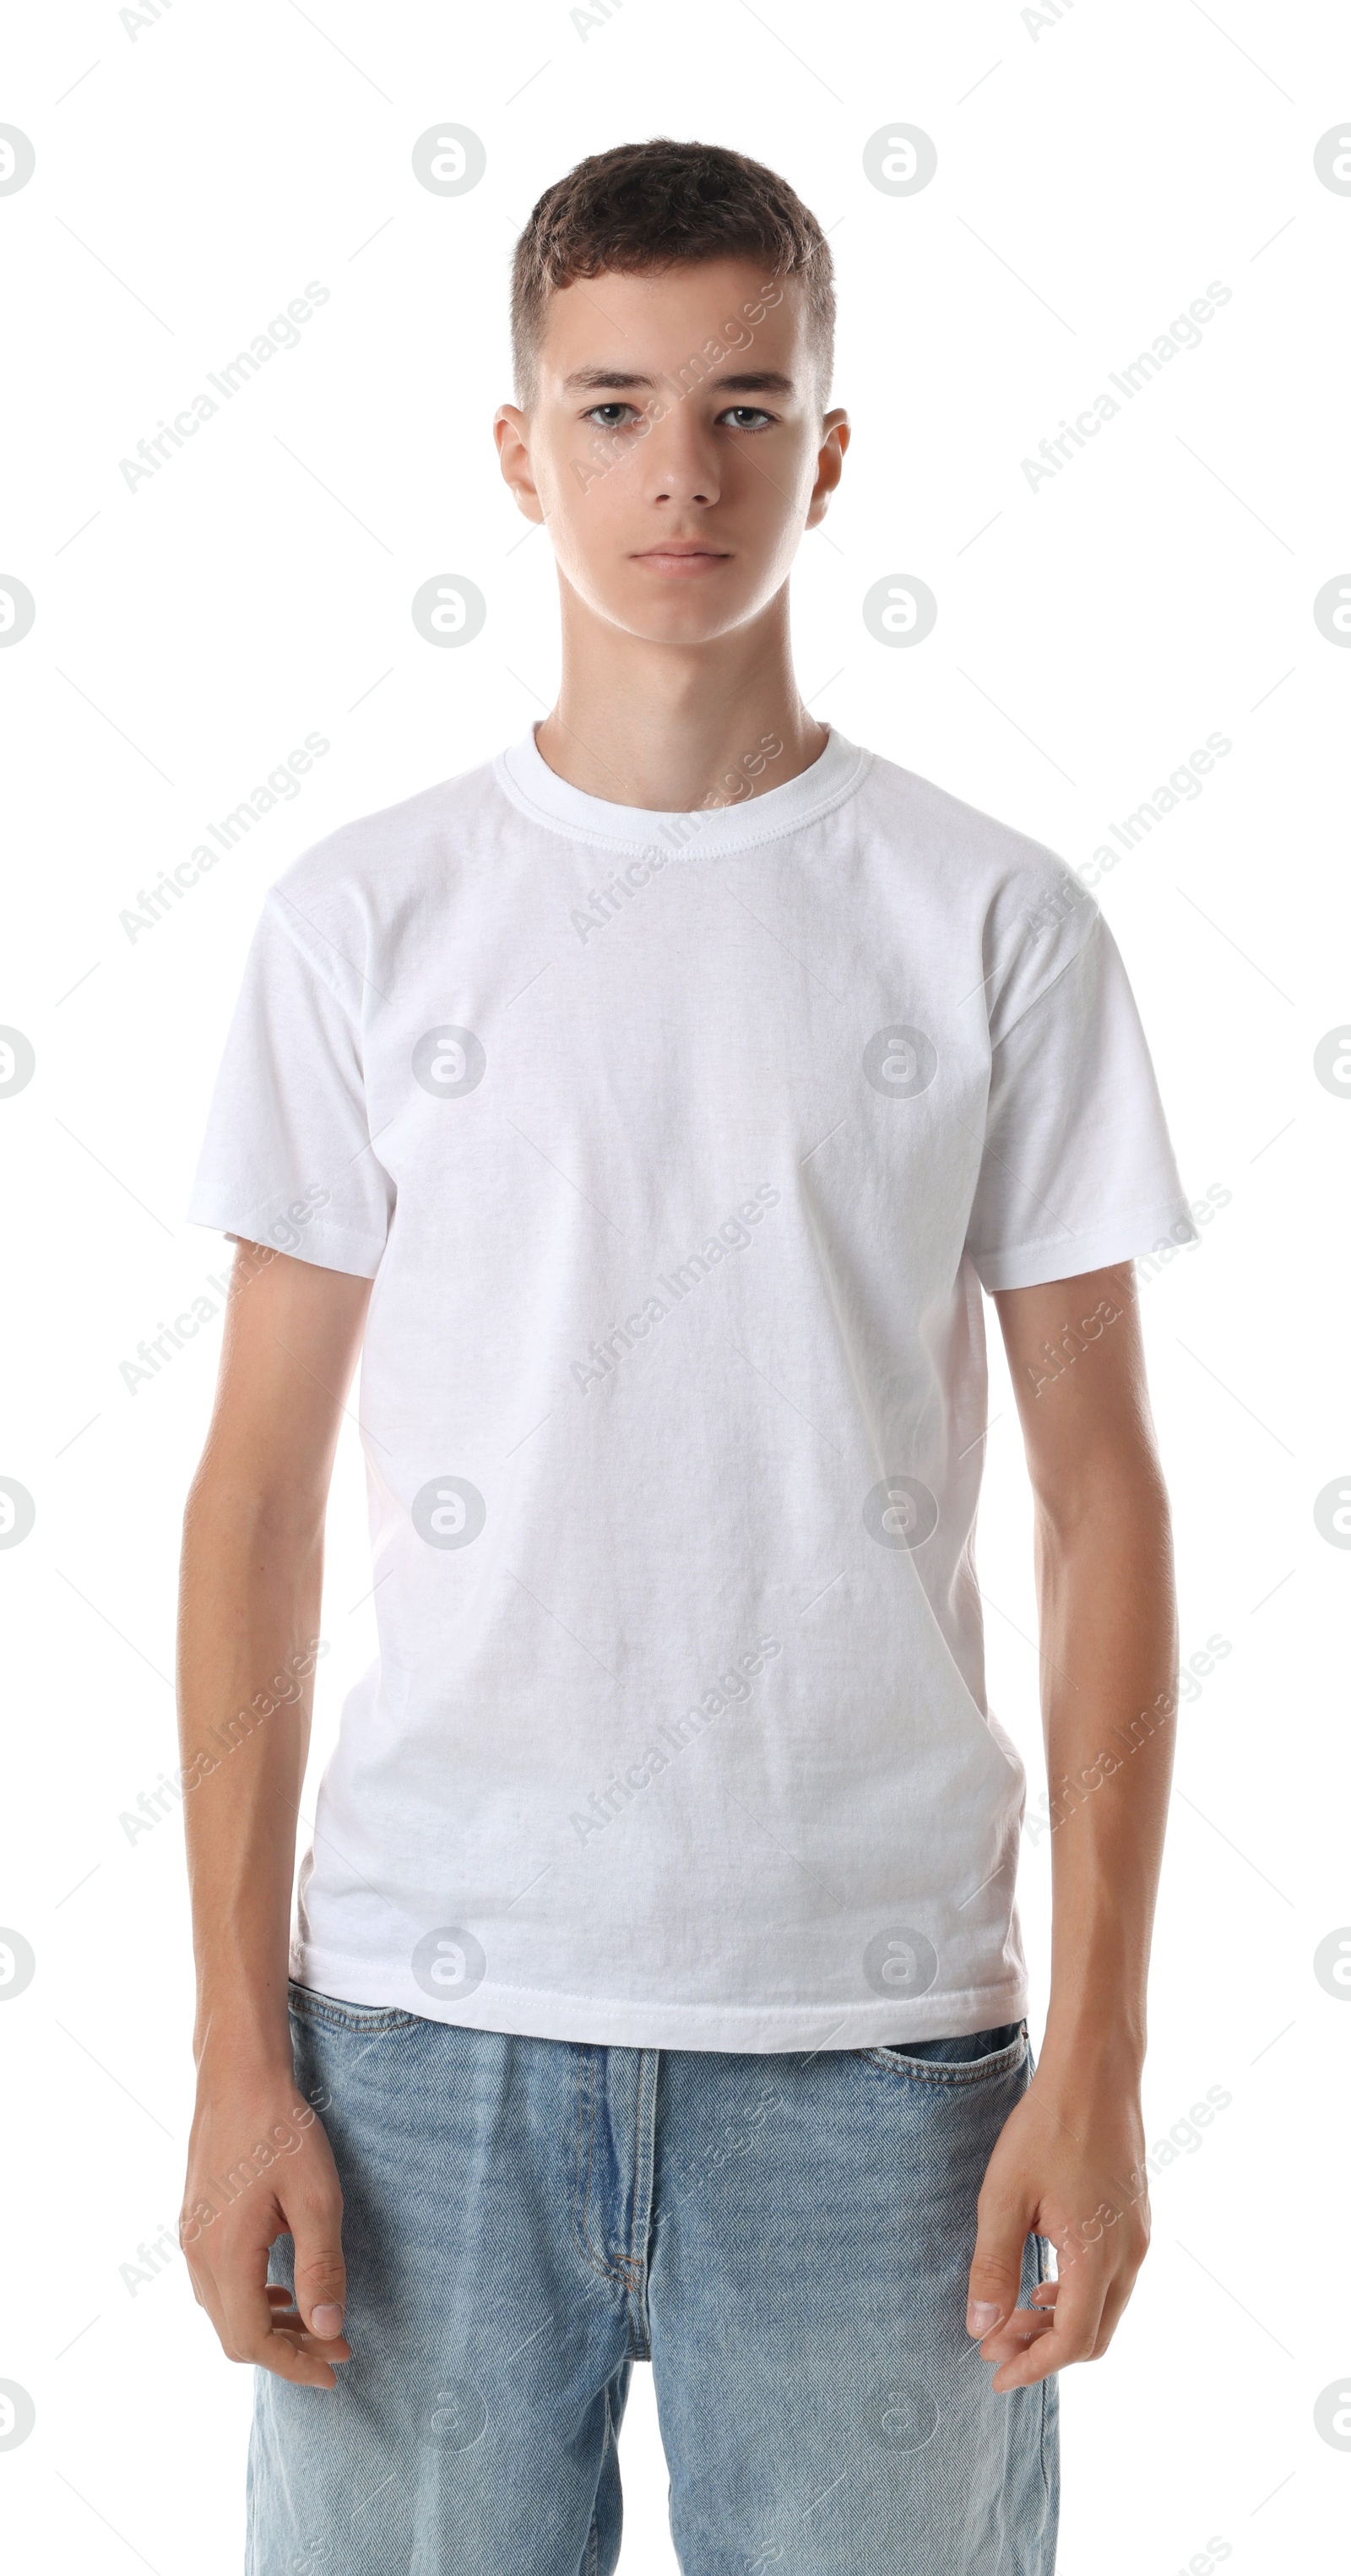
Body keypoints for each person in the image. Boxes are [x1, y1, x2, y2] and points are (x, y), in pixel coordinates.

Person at [177, 138, 1191, 2576]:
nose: (681, 474)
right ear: (519, 451)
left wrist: (1108, 2056)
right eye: (615, 407)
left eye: (748, 409)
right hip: (423, 2033)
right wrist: (236, 2058)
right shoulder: (364, 926)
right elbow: (251, 1501)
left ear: (831, 452)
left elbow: (1108, 1505)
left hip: (878, 2061)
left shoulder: (988, 925)